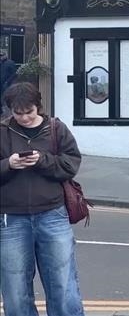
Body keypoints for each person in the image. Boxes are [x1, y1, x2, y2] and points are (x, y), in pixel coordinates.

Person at [0, 82, 86, 316]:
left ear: (38, 106)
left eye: (29, 112)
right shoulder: (2, 131)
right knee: (15, 289)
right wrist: (9, 164)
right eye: (18, 113)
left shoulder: (57, 129)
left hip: (52, 214)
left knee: (62, 283)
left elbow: (70, 165)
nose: (25, 118)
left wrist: (42, 160)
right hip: (10, 218)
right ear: (10, 110)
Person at [0, 51, 16, 115]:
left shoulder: (10, 63)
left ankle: (10, 111)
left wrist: (8, 81)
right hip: (1, 83)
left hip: (6, 84)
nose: (0, 57)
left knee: (7, 97)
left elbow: (14, 74)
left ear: (5, 55)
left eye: (2, 55)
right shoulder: (1, 63)